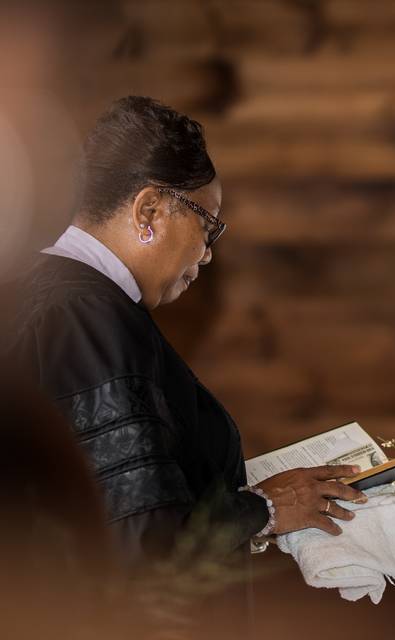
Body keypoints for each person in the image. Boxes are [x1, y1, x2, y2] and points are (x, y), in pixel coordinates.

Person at [6, 96, 366, 569]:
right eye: (207, 225)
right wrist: (265, 508)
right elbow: (141, 534)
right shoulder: (90, 315)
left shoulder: (36, 292)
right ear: (150, 211)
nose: (208, 253)